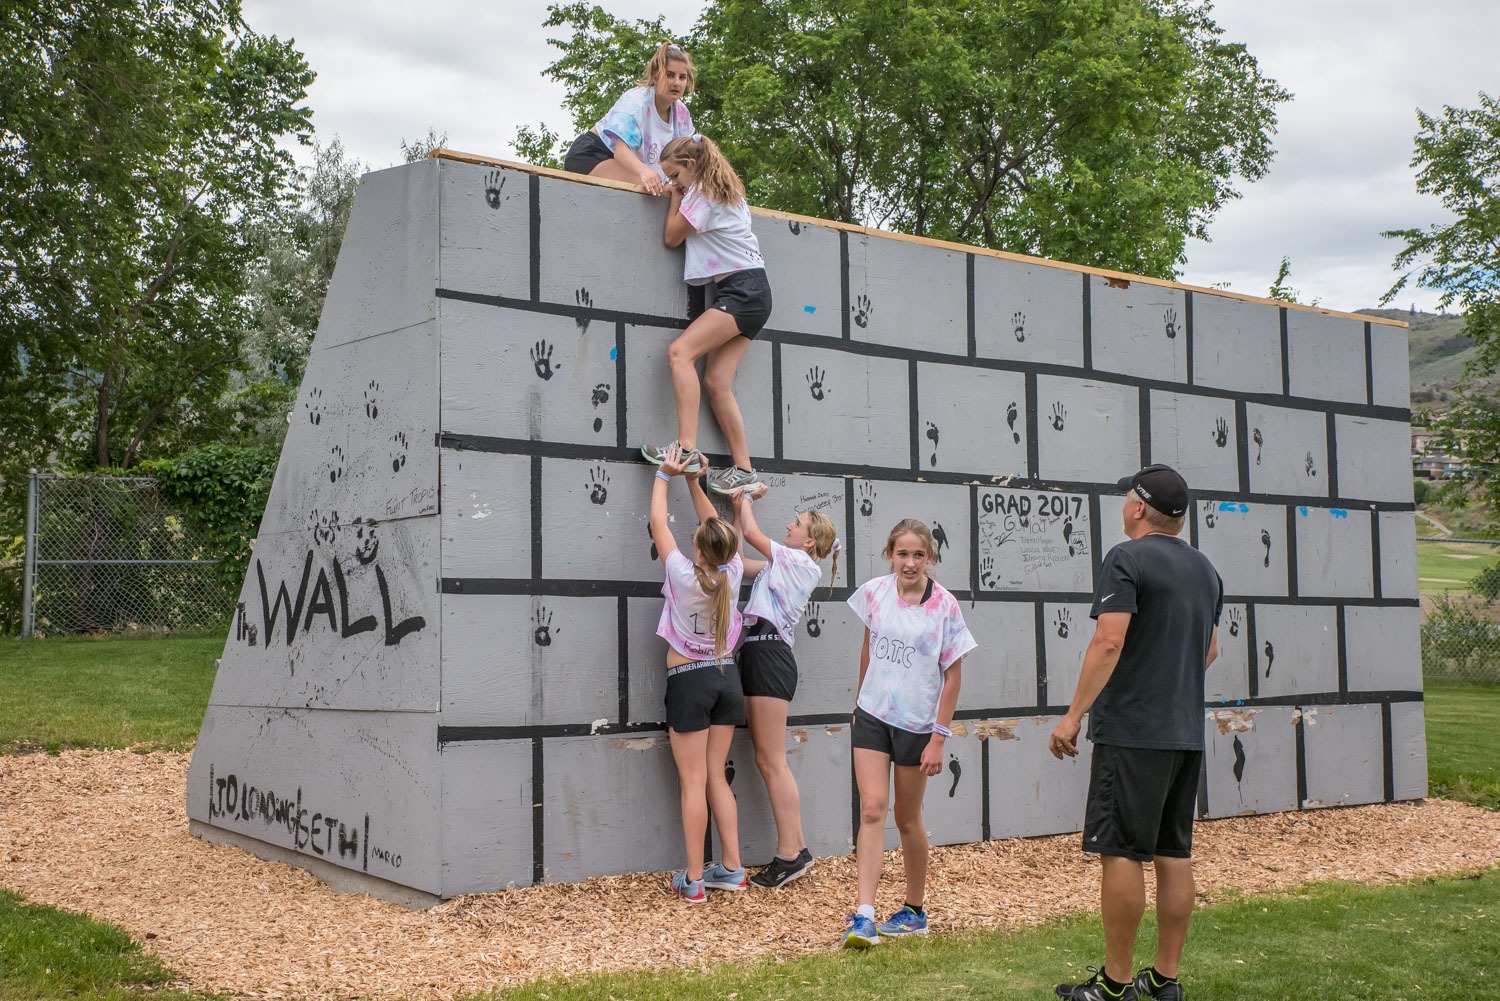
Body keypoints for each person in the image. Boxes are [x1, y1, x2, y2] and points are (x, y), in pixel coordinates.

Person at [1049, 464, 1223, 1001]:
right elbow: (1211, 650)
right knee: (1173, 853)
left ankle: (1115, 983)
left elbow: (1108, 642)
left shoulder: (1125, 558)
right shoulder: (1205, 569)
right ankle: (1165, 979)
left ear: (1140, 507)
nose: (1125, 504)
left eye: (1128, 497)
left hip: (1132, 733)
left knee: (1122, 851)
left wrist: (1073, 715)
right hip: (1184, 732)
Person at [841, 519, 976, 947]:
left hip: (918, 726)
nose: (910, 562)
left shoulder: (945, 606)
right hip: (872, 716)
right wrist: (858, 703)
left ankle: (914, 911)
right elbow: (868, 649)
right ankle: (864, 916)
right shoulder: (875, 593)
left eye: (919, 554)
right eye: (902, 554)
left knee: (906, 817)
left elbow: (953, 677)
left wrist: (939, 737)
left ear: (930, 557)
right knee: (871, 810)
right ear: (890, 555)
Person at [639, 133, 771, 496]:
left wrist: (675, 198)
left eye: (675, 175)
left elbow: (671, 237)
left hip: (742, 292)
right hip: (754, 292)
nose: (673, 182)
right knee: (716, 382)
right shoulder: (725, 192)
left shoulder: (701, 195)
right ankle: (745, 470)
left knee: (680, 353)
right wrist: (679, 191)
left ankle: (686, 448)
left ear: (692, 165)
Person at [648, 443, 748, 901]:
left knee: (693, 784)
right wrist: (695, 481)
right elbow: (718, 532)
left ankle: (692, 880)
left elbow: (658, 525)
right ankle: (733, 868)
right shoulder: (734, 571)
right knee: (715, 777)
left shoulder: (683, 574)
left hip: (689, 681)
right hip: (728, 680)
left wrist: (664, 474)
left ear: (698, 548)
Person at [729, 487, 841, 888]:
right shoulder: (781, 564)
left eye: (797, 524)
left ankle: (789, 855)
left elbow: (753, 534)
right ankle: (798, 849)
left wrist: (744, 496)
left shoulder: (797, 561)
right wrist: (735, 511)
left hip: (770, 656)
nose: (789, 526)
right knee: (767, 759)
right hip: (760, 653)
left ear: (809, 541)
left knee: (772, 760)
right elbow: (738, 562)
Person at [562, 41, 696, 194]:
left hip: (627, 163)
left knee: (676, 189)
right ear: (656, 76)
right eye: (670, 75)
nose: (676, 83)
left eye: (682, 77)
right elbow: (620, 151)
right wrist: (645, 172)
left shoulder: (682, 115)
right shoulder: (636, 102)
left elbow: (686, 158)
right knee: (657, 189)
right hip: (594, 154)